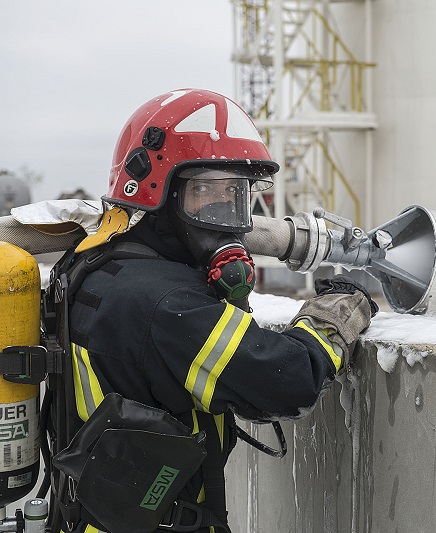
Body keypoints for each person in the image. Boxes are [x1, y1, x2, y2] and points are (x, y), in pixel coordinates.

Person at [44, 88, 376, 533]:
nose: (225, 212)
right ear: (157, 192)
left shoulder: (93, 264)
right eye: (204, 190)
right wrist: (331, 317)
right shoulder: (167, 304)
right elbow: (287, 380)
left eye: (235, 194)